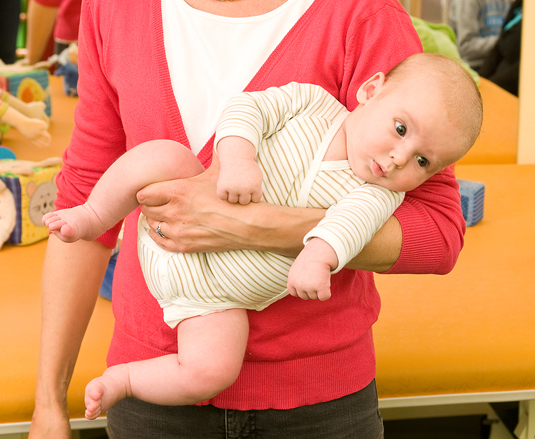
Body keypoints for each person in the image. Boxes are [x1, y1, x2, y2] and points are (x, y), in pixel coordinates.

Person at [29, 1, 470, 438]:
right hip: (154, 382)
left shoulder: (364, 15)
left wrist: (246, 225)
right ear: (371, 91)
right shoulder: (114, 8)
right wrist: (48, 401)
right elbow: (88, 185)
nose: (399, 158)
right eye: (398, 134)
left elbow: (438, 232)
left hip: (314, 402)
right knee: (159, 158)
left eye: (420, 159)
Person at [449, 0, 513, 71]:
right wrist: (505, 41)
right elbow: (465, 46)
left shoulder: (508, 2)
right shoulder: (466, 2)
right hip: (473, 67)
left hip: (497, 62)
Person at [479, 0, 522, 96]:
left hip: (512, 88)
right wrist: (481, 81)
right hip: (494, 79)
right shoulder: (518, 5)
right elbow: (498, 46)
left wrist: (492, 86)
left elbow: (525, 66)